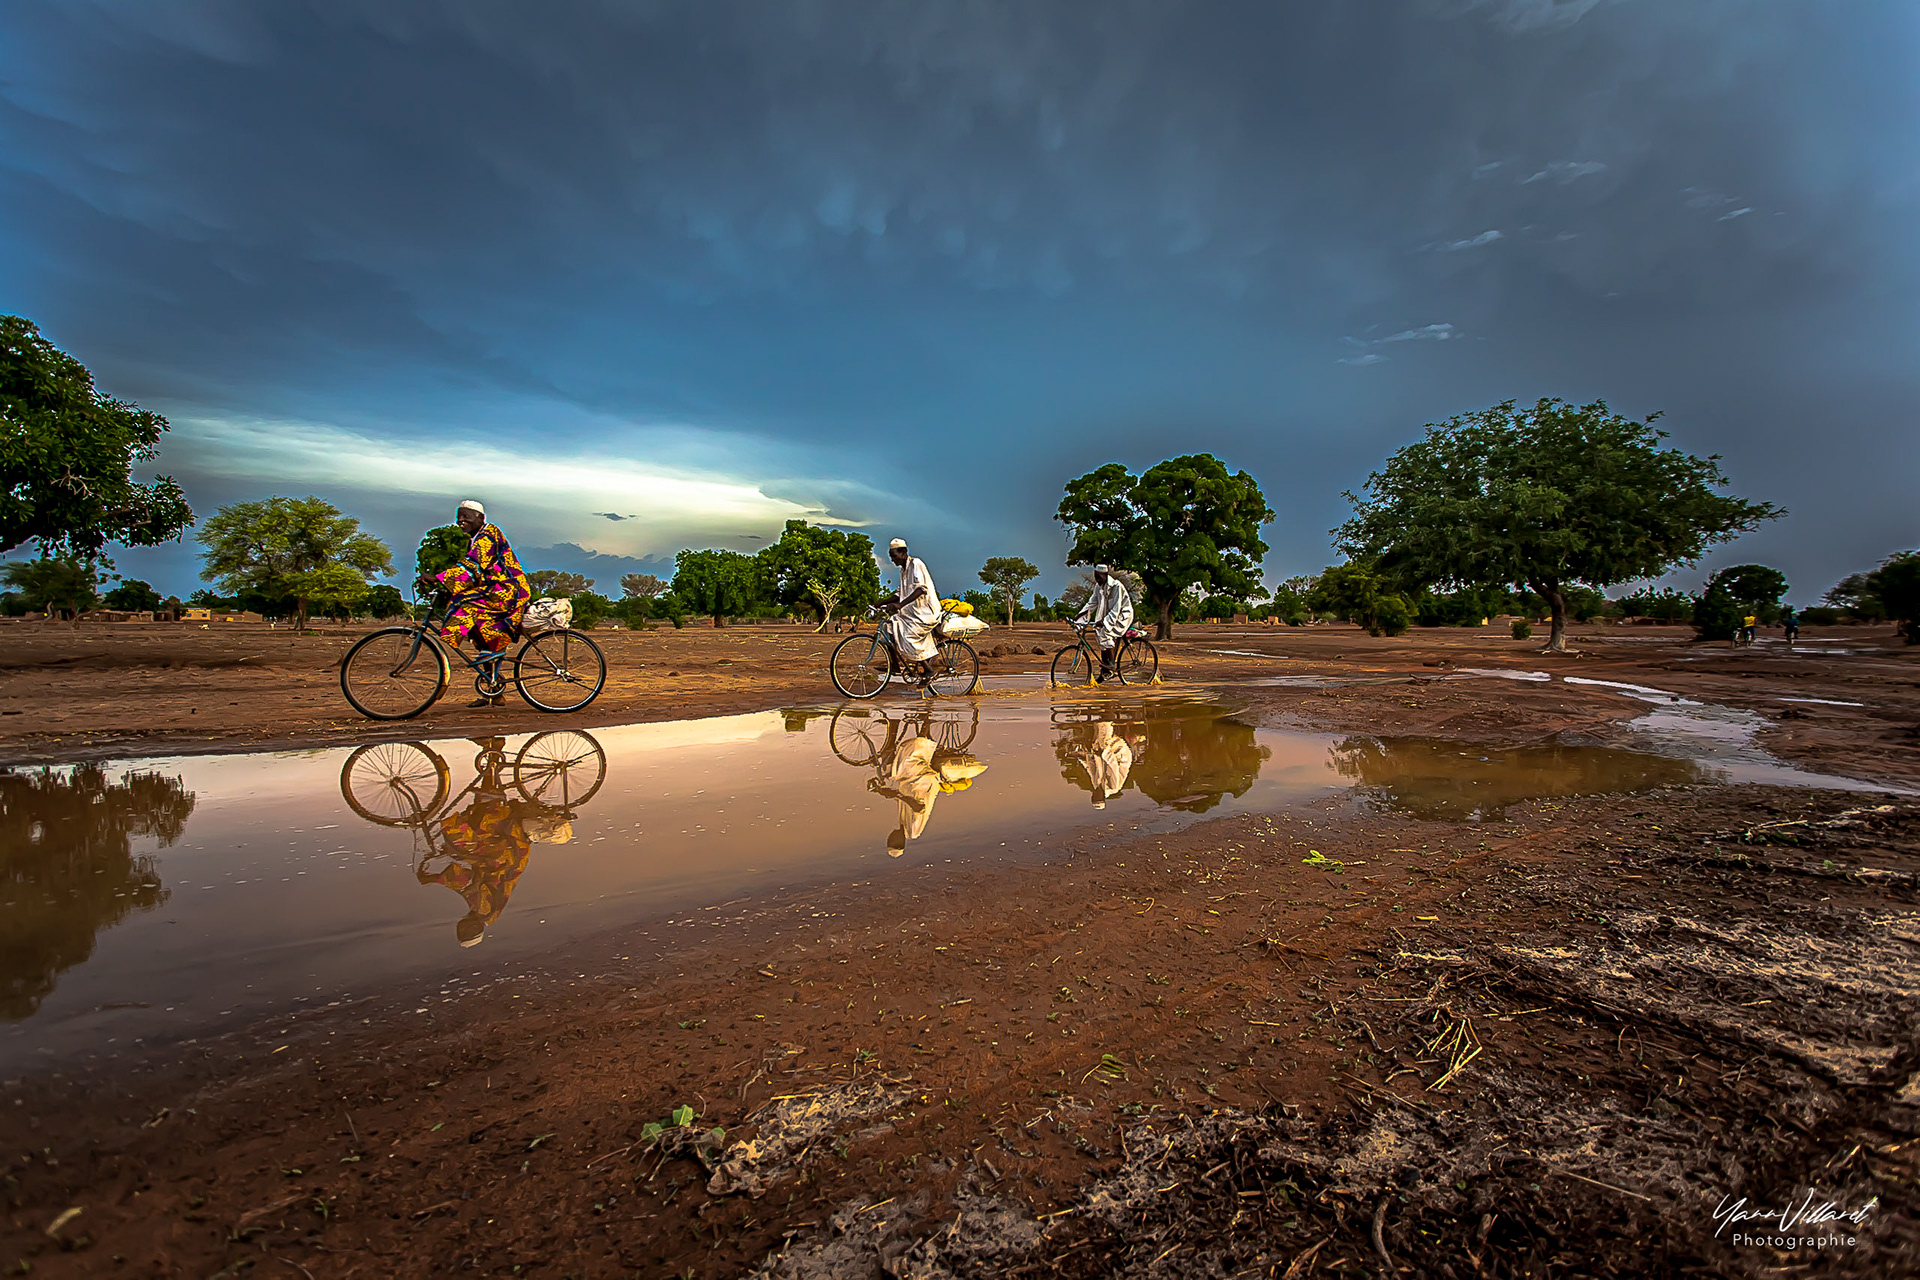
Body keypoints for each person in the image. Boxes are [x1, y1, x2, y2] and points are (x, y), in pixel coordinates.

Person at [416, 500, 533, 707]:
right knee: (484, 635)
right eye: (458, 518)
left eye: (466, 518)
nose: (461, 521)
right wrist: (446, 585)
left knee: (465, 606)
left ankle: (471, 648)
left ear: (481, 518)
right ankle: (494, 689)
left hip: (509, 591)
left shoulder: (488, 535)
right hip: (494, 590)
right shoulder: (476, 538)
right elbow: (472, 570)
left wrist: (439, 578)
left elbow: (473, 567)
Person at [883, 538, 942, 686]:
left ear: (903, 553)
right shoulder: (903, 570)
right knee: (887, 628)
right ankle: (895, 666)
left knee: (907, 635)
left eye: (894, 556)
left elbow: (921, 589)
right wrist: (878, 603)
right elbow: (899, 594)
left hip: (926, 612)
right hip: (912, 613)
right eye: (891, 557)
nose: (893, 560)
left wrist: (900, 605)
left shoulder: (916, 564)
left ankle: (928, 670)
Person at [1074, 565, 1135, 681]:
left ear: (1106, 575)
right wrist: (1079, 616)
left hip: (1122, 615)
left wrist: (1105, 622)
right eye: (1095, 577)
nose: (1097, 580)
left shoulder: (1116, 586)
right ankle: (1105, 672)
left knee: (1106, 633)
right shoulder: (1098, 587)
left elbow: (1116, 609)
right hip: (1108, 616)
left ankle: (1111, 665)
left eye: (1099, 577)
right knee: (1099, 633)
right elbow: (1091, 603)